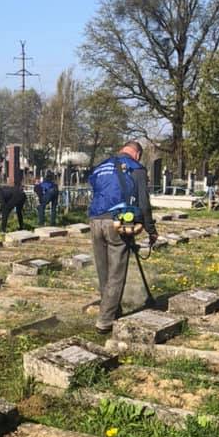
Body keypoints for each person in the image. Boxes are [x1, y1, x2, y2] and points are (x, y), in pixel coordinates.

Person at [87, 140, 157, 333]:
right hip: (118, 222)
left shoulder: (101, 166)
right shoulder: (137, 168)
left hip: (95, 221)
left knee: (104, 271)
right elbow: (143, 202)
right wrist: (151, 229)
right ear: (137, 154)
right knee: (116, 273)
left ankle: (112, 308)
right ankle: (105, 320)